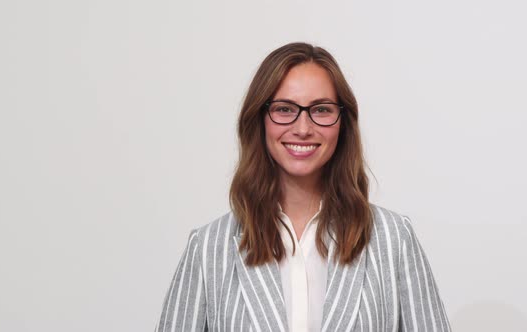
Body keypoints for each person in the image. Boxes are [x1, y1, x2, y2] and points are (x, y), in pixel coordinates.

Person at [155, 42, 451, 332]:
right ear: (259, 119)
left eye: (321, 110)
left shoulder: (392, 239)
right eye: (285, 109)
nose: (303, 127)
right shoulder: (208, 249)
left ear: (342, 122)